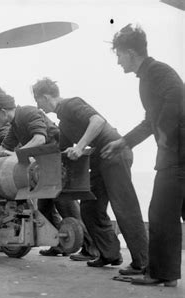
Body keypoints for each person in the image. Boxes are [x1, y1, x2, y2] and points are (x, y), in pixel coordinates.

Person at [32, 77, 148, 273]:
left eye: (38, 101)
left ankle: (142, 263)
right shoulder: (63, 122)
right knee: (90, 208)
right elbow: (60, 151)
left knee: (124, 208)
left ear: (45, 97)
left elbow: (97, 121)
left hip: (114, 153)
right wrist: (36, 162)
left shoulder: (71, 104)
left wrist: (79, 146)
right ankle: (110, 253)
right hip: (99, 162)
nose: (38, 106)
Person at [101, 24, 184, 287]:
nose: (117, 61)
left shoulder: (157, 71)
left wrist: (165, 136)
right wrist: (124, 142)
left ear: (130, 52)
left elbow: (178, 99)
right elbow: (149, 120)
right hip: (177, 153)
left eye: (119, 55)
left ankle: (162, 274)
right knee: (170, 211)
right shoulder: (147, 77)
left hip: (178, 154)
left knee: (160, 212)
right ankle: (166, 273)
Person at [0, 90, 98, 259]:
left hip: (55, 162)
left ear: (2, 111)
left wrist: (17, 154)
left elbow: (39, 139)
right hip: (42, 165)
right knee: (44, 208)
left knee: (66, 205)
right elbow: (4, 148)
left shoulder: (28, 112)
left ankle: (91, 248)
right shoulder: (15, 125)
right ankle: (59, 244)